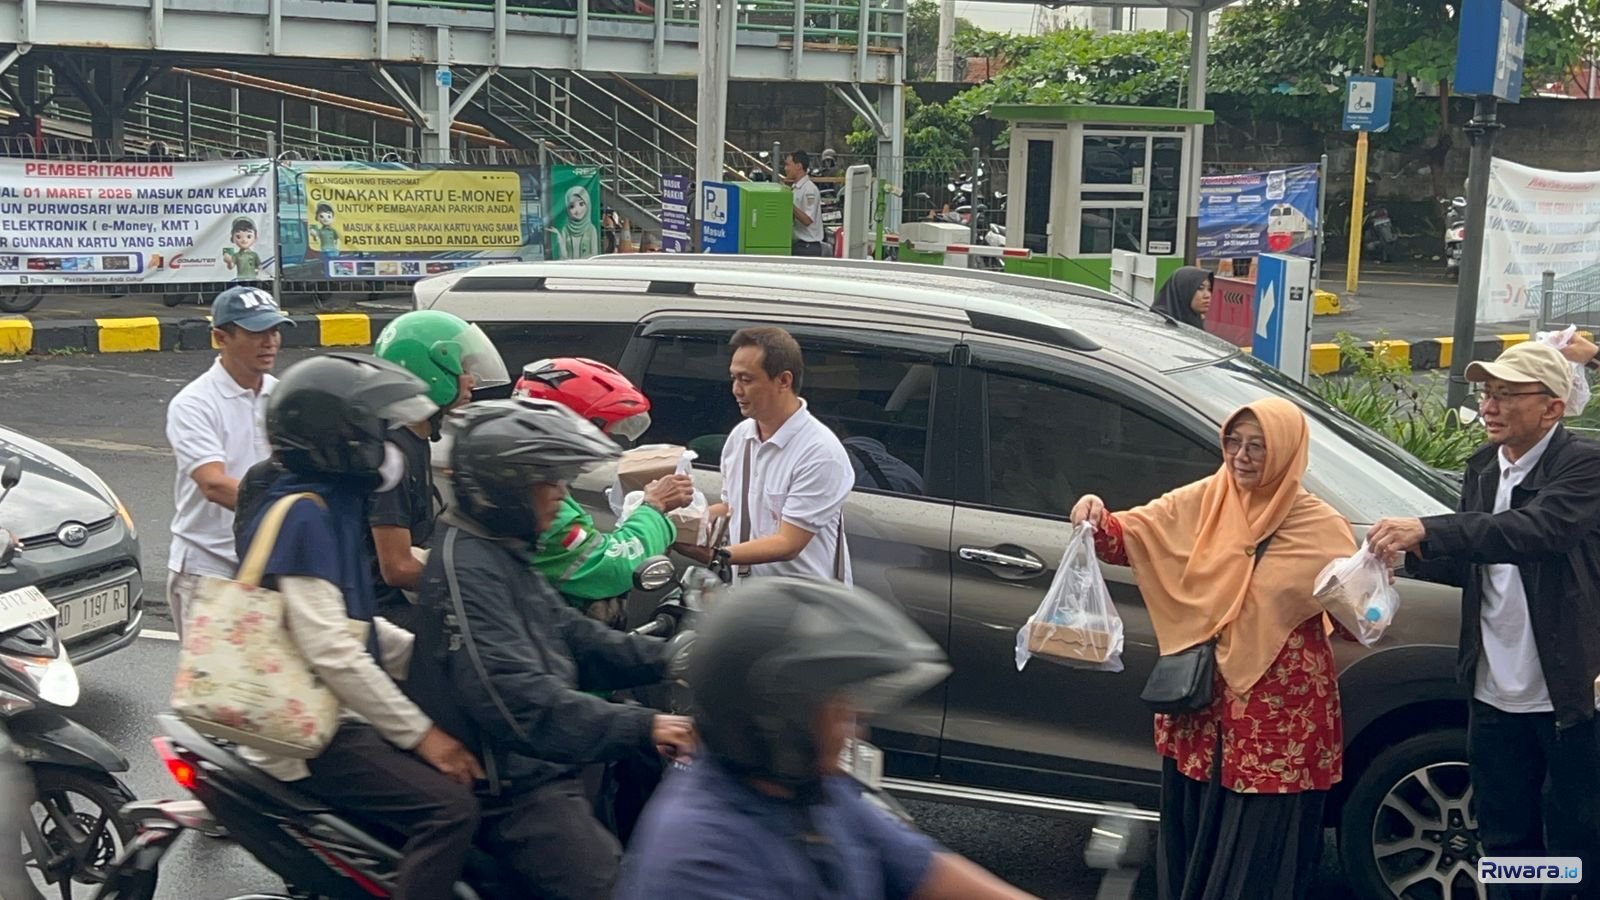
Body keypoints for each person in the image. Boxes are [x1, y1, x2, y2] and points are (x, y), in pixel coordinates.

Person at [405, 398, 697, 900]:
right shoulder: (468, 570)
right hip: (515, 786)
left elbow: (570, 632)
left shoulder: (499, 550)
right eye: (550, 481)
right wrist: (646, 725)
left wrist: (677, 660)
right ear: (506, 488)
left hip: (544, 761)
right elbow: (518, 698)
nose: (561, 495)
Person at [1069, 396, 1357, 900]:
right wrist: (1092, 512)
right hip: (1203, 706)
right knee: (1194, 827)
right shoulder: (1203, 501)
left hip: (1278, 715)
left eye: (1258, 447)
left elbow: (1357, 621)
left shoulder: (1321, 526)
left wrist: (1367, 586)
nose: (1241, 457)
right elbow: (1125, 537)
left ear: (1287, 453)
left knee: (1259, 845)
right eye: (1233, 442)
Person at [616, 576, 1036, 900]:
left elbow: (928, 869)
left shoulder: (814, 793)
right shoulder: (701, 861)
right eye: (837, 708)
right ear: (777, 720)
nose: (856, 726)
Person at [236, 353, 483, 900]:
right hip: (310, 728)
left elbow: (348, 623)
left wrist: (436, 655)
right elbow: (332, 651)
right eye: (377, 430)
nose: (388, 443)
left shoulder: (328, 505)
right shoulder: (303, 515)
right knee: (450, 809)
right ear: (339, 438)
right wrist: (426, 738)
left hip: (330, 705)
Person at [1368, 342, 1600, 900]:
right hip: (1494, 691)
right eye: (1486, 393)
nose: (1490, 406)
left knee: (1575, 841)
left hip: (1567, 694)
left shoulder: (1583, 465)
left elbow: (1536, 532)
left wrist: (1430, 530)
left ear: (1552, 407)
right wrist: (1408, 557)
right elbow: (1479, 558)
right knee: (1501, 836)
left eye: (1506, 394)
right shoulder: (1482, 468)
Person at [514, 357, 695, 627]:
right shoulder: (532, 498)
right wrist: (653, 507)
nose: (602, 444)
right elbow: (611, 567)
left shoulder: (531, 480)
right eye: (599, 434)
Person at [165, 286, 294, 637]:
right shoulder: (194, 404)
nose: (270, 342)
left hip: (271, 561)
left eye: (275, 330)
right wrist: (291, 513)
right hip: (209, 567)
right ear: (221, 337)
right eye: (256, 332)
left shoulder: (283, 396)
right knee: (211, 687)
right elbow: (214, 484)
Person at [693, 326, 853, 584]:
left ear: (783, 381)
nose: (736, 389)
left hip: (806, 608)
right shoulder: (740, 437)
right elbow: (733, 506)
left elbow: (788, 543)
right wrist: (685, 522)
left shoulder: (819, 452)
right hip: (749, 600)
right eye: (733, 378)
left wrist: (716, 555)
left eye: (746, 380)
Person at [786, 150, 825, 257]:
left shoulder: (809, 189)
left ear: (798, 166)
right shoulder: (796, 188)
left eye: (788, 165)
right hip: (798, 244)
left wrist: (787, 203)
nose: (786, 169)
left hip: (808, 246)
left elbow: (807, 220)